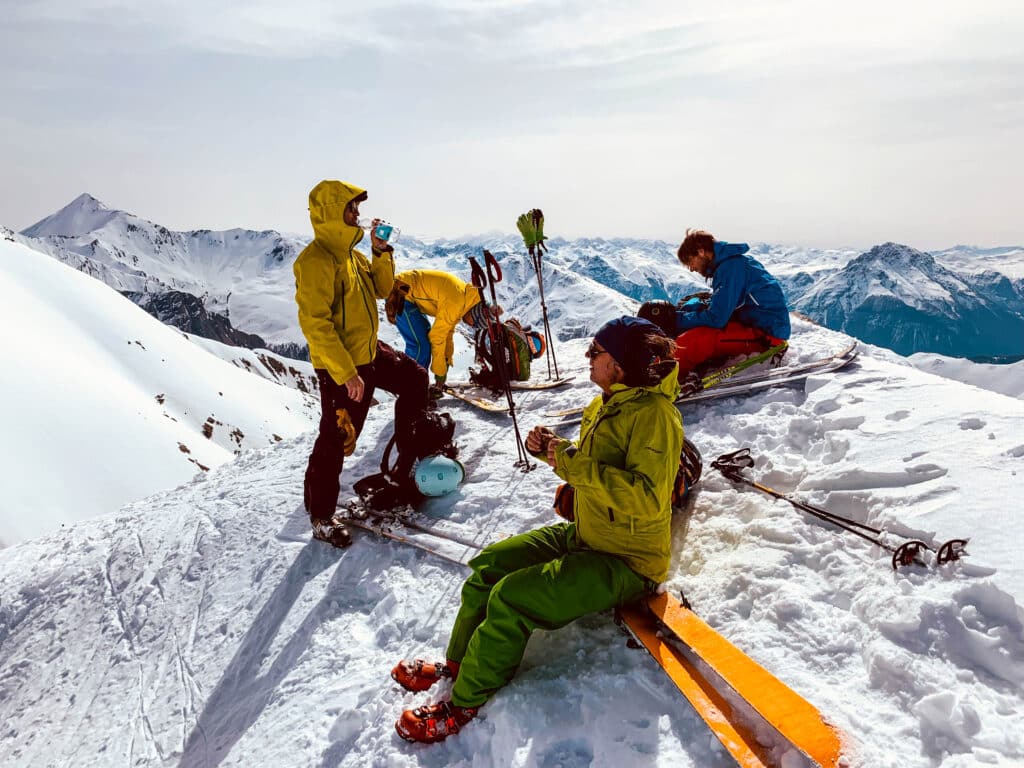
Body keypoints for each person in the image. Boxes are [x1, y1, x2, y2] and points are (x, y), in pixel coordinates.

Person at [391, 316, 683, 743]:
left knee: (513, 598)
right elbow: (600, 471)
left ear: (618, 363)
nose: (589, 358)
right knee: (488, 567)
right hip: (587, 536)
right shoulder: (606, 403)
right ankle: (459, 665)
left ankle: (464, 702)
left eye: (596, 352)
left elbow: (645, 498)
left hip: (626, 560)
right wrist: (566, 473)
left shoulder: (655, 416)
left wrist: (565, 459)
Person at [294, 180, 428, 547]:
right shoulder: (315, 261)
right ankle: (321, 516)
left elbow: (383, 290)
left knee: (415, 379)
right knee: (336, 439)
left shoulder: (352, 256)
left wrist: (380, 252)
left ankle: (403, 469)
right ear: (333, 213)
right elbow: (315, 323)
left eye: (356, 209)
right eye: (351, 209)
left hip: (369, 352)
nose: (358, 215)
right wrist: (345, 372)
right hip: (344, 366)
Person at [641, 229, 790, 378]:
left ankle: (664, 381)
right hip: (752, 322)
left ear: (701, 252)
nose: (692, 269)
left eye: (690, 262)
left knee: (691, 342)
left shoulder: (730, 268)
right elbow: (720, 305)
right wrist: (685, 313)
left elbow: (716, 318)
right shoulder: (731, 264)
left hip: (766, 334)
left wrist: (676, 320)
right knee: (694, 327)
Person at [385, 269, 500, 398]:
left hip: (408, 291)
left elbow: (447, 336)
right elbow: (437, 338)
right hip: (400, 291)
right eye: (474, 324)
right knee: (420, 345)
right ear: (475, 314)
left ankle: (416, 386)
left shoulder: (465, 302)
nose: (471, 326)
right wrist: (440, 374)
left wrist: (445, 364)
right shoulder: (456, 303)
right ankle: (411, 392)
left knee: (424, 341)